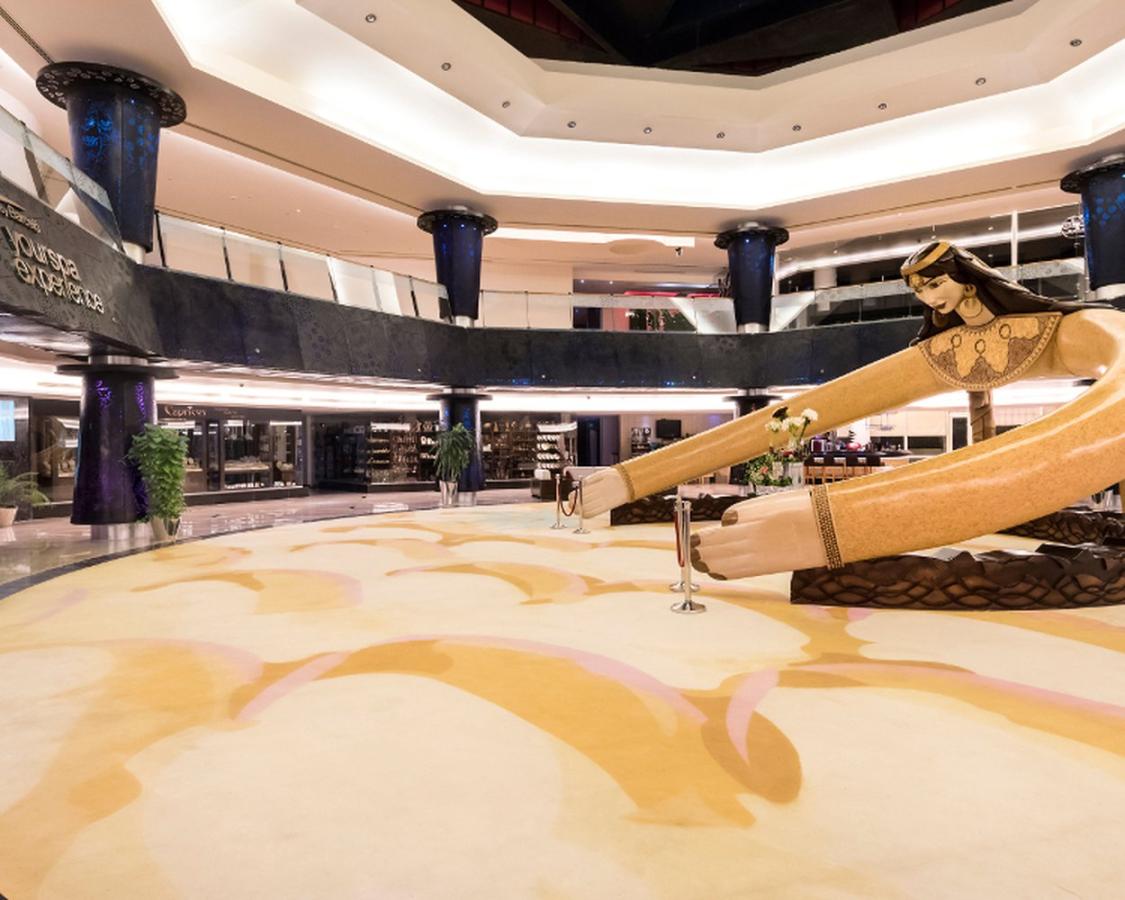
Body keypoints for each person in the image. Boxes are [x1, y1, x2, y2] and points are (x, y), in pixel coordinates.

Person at [576, 241, 1125, 580]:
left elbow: (1094, 435)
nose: (930, 298)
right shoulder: (942, 348)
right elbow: (800, 414)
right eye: (921, 290)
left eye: (936, 284)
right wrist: (633, 476)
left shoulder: (1088, 329)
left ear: (967, 276)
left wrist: (832, 524)